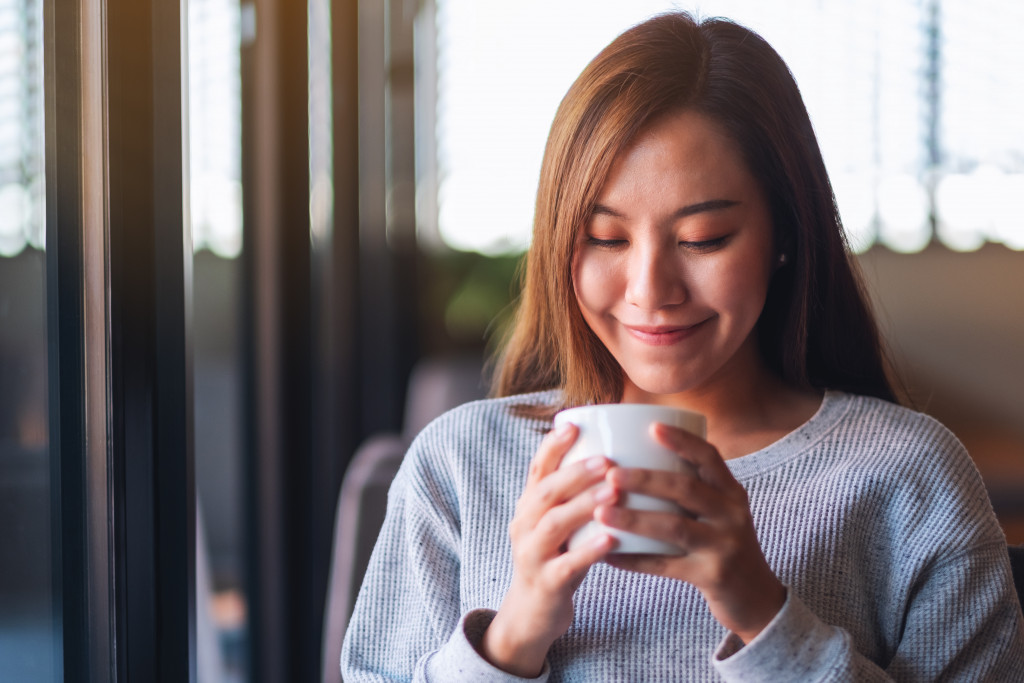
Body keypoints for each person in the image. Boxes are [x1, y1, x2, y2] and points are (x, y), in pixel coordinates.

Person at [341, 12, 1024, 681]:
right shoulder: (461, 466)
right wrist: (512, 636)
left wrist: (766, 616)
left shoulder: (909, 477)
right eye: (606, 238)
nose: (650, 289)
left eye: (703, 240)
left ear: (784, 233)